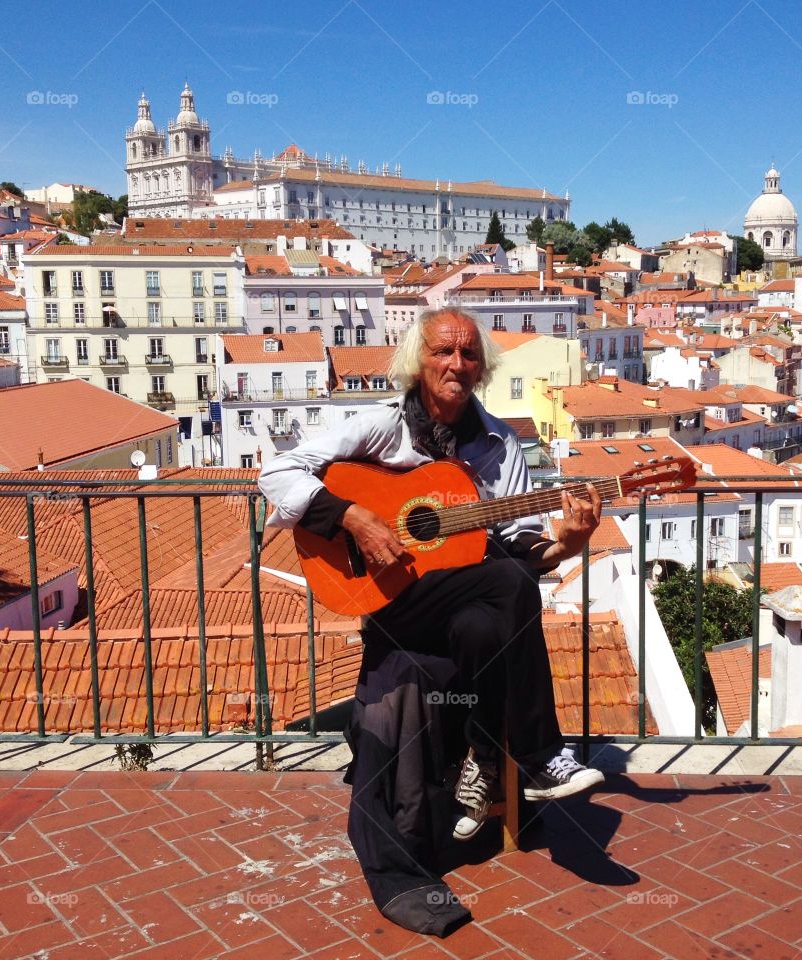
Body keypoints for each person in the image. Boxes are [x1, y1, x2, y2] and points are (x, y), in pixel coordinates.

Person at [259, 307, 604, 841]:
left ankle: (482, 760)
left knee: (485, 625)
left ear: (481, 368)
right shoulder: (382, 425)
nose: (457, 364)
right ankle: (539, 753)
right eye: (443, 351)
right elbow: (277, 472)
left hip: (464, 597)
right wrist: (352, 517)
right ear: (417, 363)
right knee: (510, 584)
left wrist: (567, 543)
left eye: (469, 354)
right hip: (392, 599)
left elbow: (518, 540)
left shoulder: (499, 443)